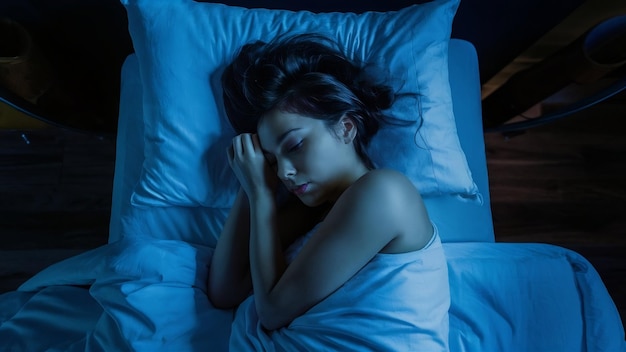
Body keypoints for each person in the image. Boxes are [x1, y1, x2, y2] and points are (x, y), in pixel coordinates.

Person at [208, 34, 449, 350]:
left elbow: (271, 311)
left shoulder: (385, 192)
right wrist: (251, 179)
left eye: (294, 146)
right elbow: (224, 290)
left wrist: (261, 197)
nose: (284, 172)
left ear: (346, 128)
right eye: (271, 161)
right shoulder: (312, 214)